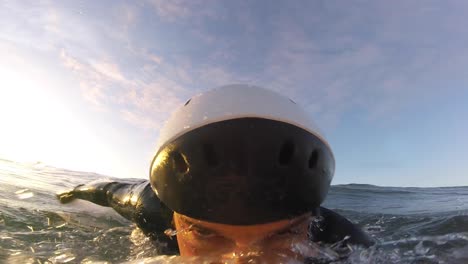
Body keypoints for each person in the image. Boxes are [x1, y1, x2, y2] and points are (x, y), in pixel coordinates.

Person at [57, 84, 372, 262]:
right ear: (174, 216)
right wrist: (72, 192)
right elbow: (106, 191)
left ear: (310, 222)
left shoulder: (341, 242)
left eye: (283, 234)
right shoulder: (149, 207)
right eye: (205, 233)